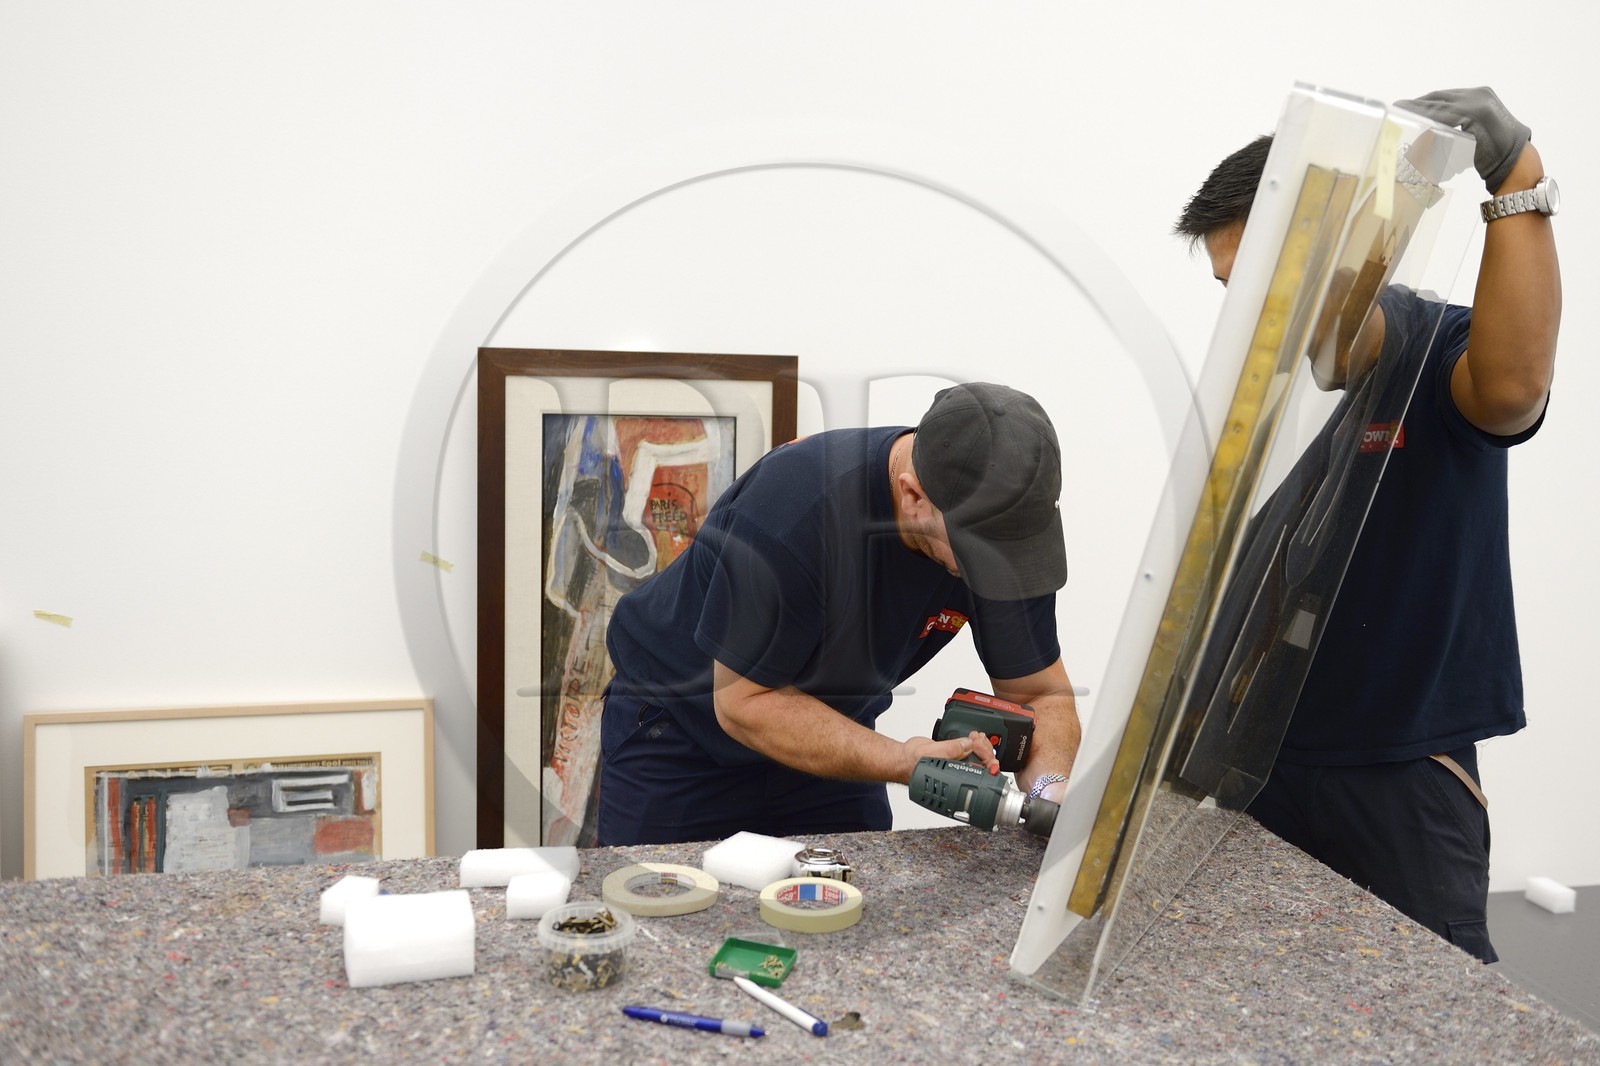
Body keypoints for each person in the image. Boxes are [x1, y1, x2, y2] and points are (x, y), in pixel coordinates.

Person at [1174, 87, 1560, 963]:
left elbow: (1511, 387)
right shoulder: (1290, 420)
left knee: (1436, 1011)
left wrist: (1517, 176)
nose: (1254, 319)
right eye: (1234, 293)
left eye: (1266, 286)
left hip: (1400, 777)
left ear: (1344, 253)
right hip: (1266, 764)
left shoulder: (1437, 354)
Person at [596, 381, 1082, 845]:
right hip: (682, 736)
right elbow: (744, 704)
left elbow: (1041, 693)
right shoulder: (793, 513)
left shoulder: (1006, 531)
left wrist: (1049, 795)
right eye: (979, 555)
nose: (1001, 574)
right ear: (913, 496)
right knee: (657, 914)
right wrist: (903, 760)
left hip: (829, 734)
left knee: (854, 915)